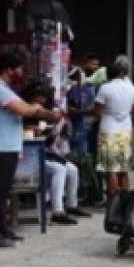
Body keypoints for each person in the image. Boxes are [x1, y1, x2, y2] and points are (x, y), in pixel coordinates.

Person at [0, 52, 61, 248]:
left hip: (8, 145)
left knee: (4, 190)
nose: (20, 72)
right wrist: (40, 110)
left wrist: (43, 111)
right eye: (18, 68)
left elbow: (27, 108)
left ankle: (2, 228)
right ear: (8, 69)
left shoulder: (4, 88)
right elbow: (24, 110)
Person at [24, 84, 89, 226]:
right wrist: (34, 129)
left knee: (72, 169)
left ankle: (71, 205)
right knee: (59, 169)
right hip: (27, 156)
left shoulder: (45, 111)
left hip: (42, 151)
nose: (40, 101)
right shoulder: (25, 110)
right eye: (38, 97)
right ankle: (57, 212)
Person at [94, 55, 134, 201]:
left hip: (108, 130)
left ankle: (113, 201)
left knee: (110, 169)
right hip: (125, 130)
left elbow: (97, 111)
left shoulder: (105, 88)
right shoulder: (131, 88)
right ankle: (124, 200)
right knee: (122, 167)